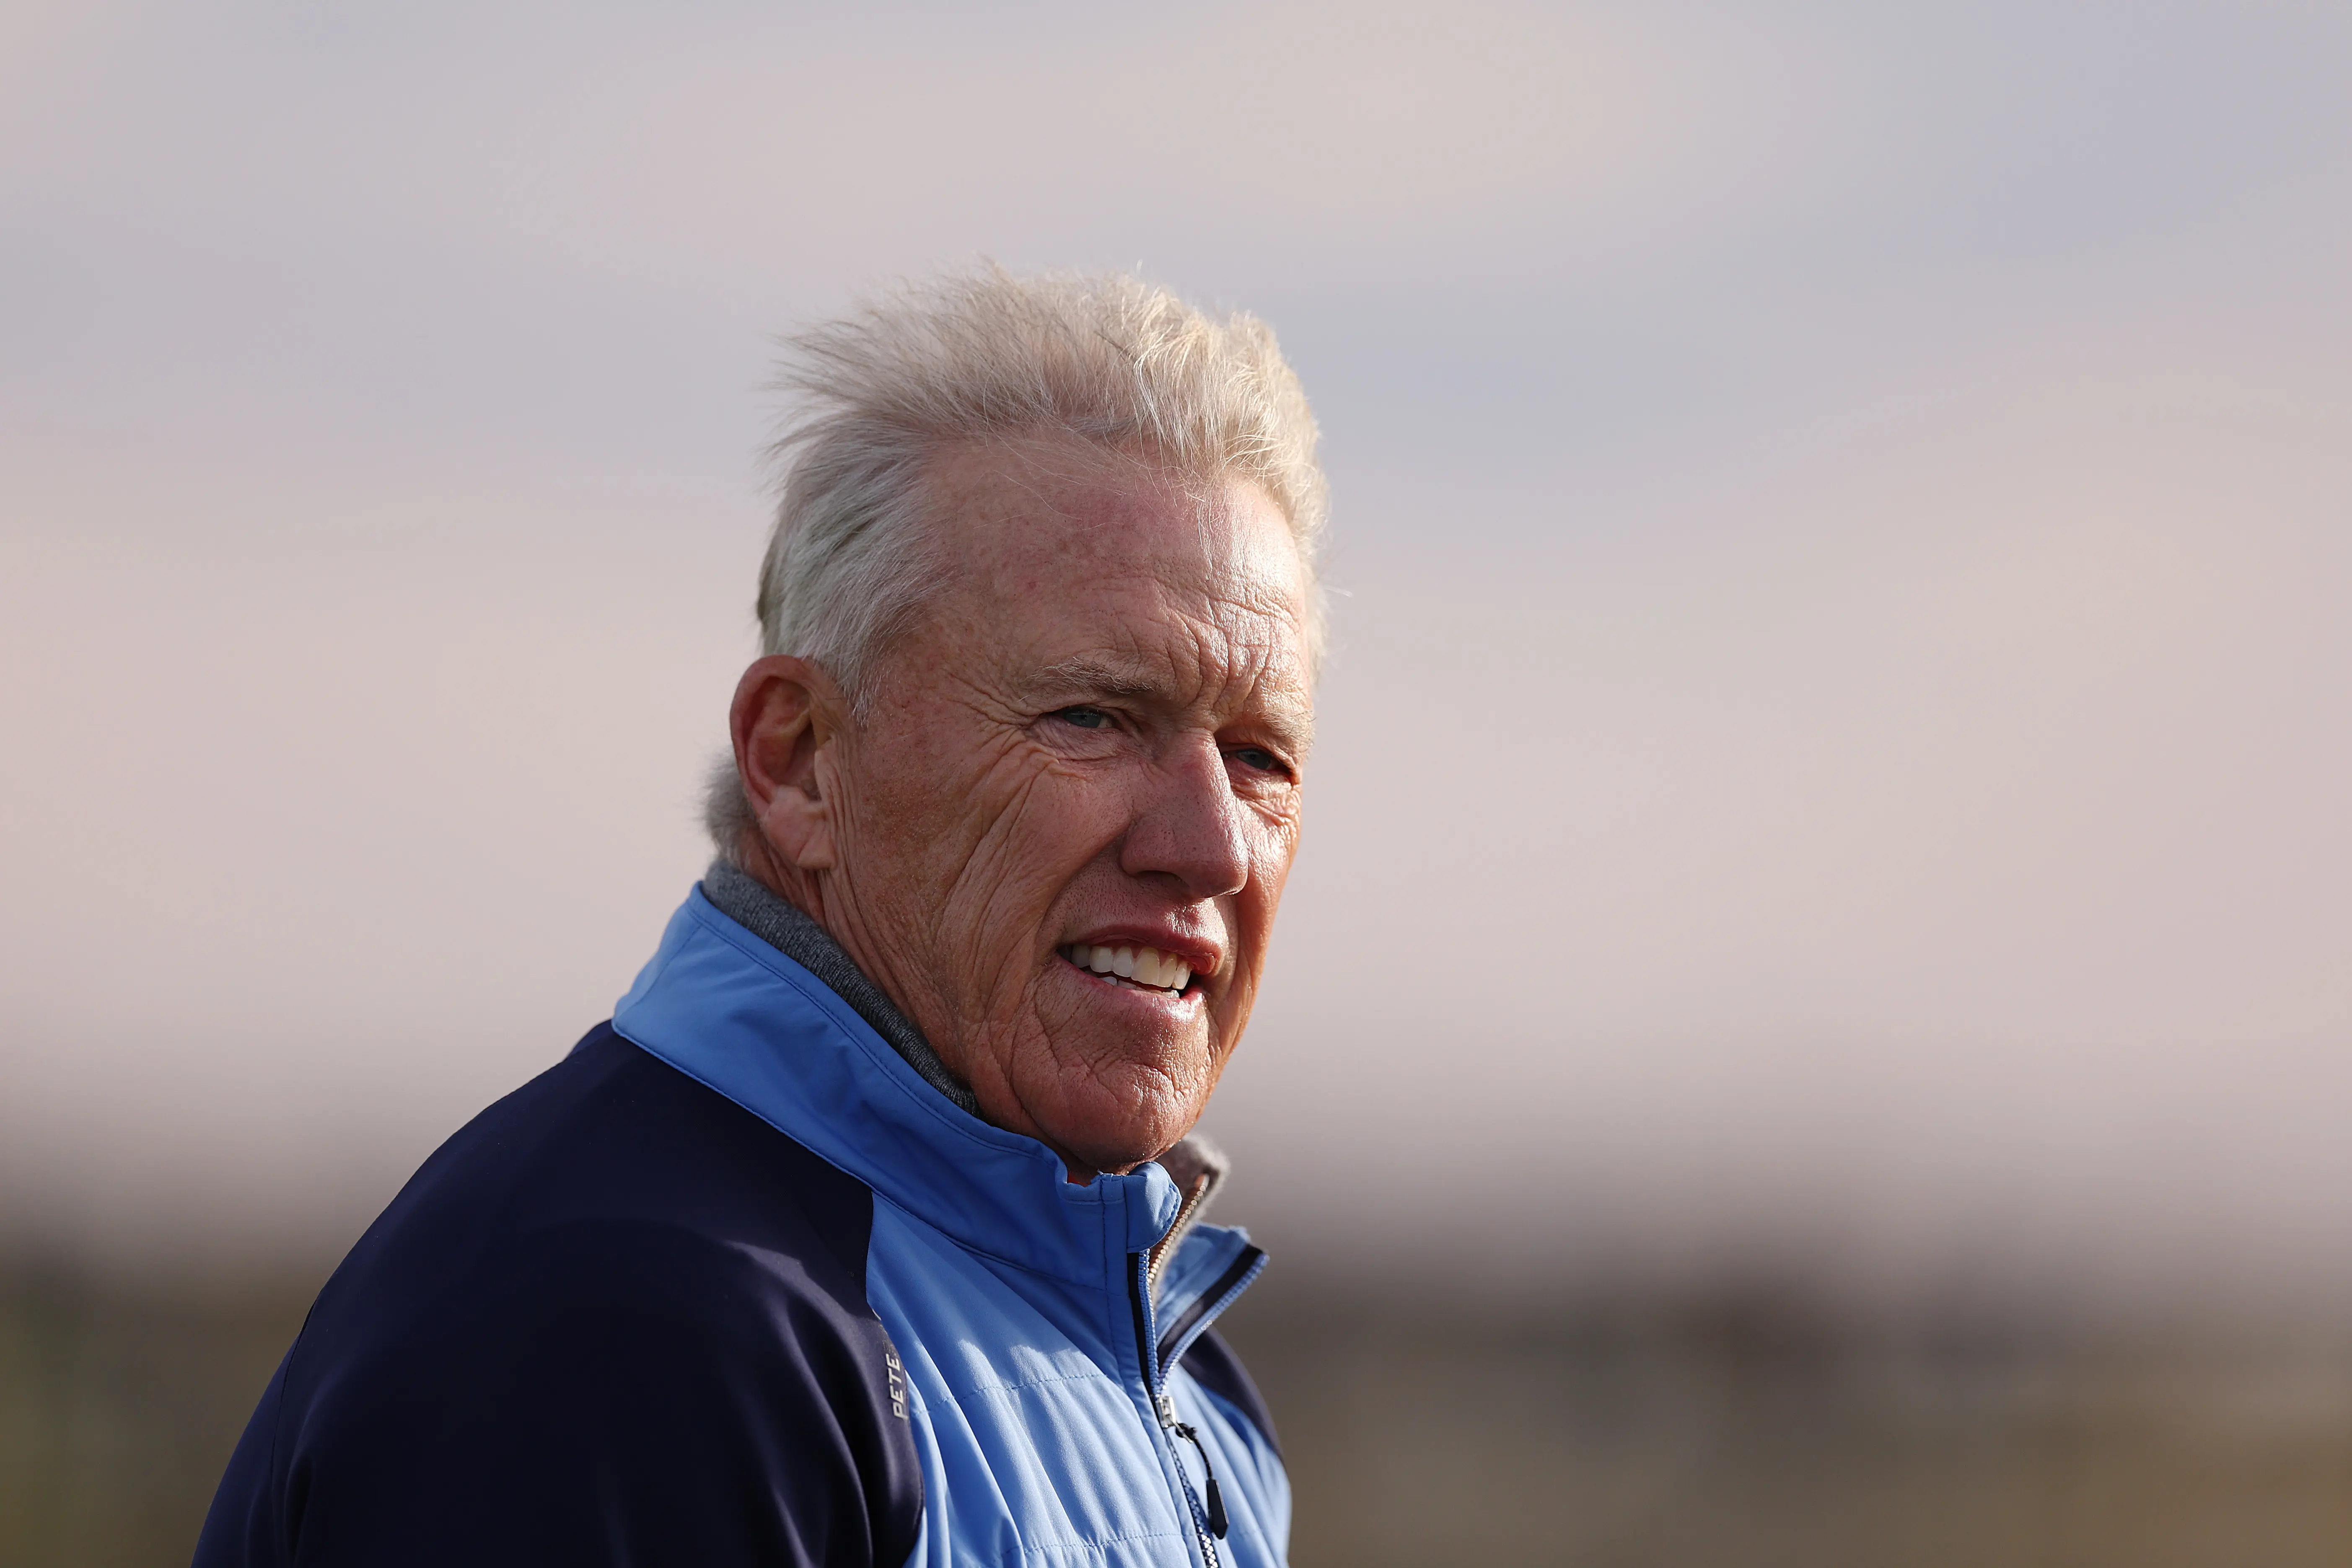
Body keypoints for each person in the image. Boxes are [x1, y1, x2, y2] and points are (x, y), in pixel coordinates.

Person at [194, 268, 1327, 1568]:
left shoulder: (1185, 1391)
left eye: (1260, 756)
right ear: (795, 763)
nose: (1206, 845)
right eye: (1091, 717)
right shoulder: (628, 1327)